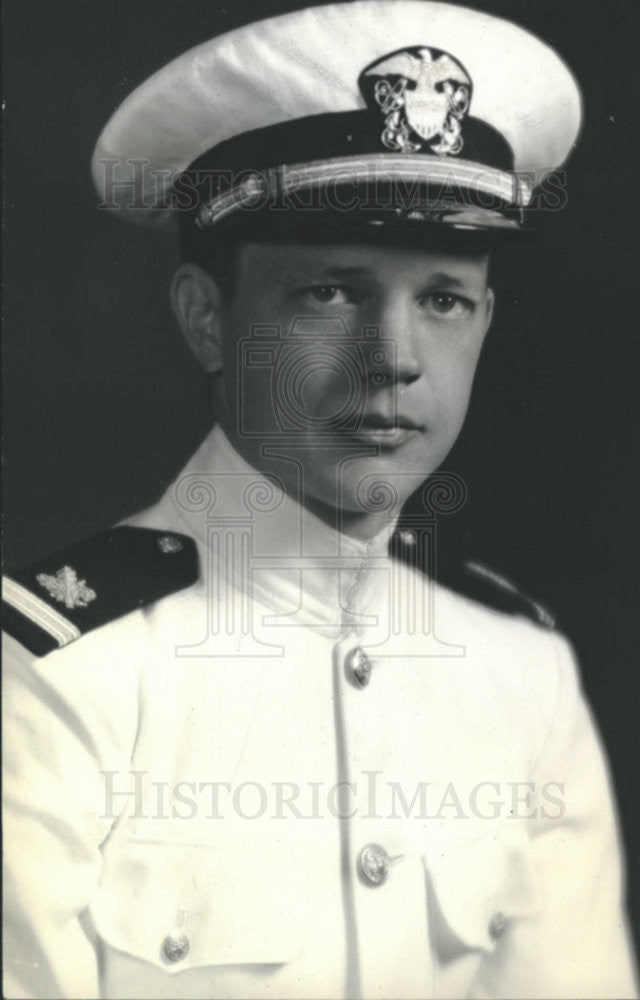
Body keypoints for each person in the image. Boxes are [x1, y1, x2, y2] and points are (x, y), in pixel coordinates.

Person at [2, 2, 637, 997]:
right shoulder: (52, 677)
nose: (392, 361)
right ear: (210, 319)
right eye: (329, 293)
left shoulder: (522, 669)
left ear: (484, 319)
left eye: (442, 299)